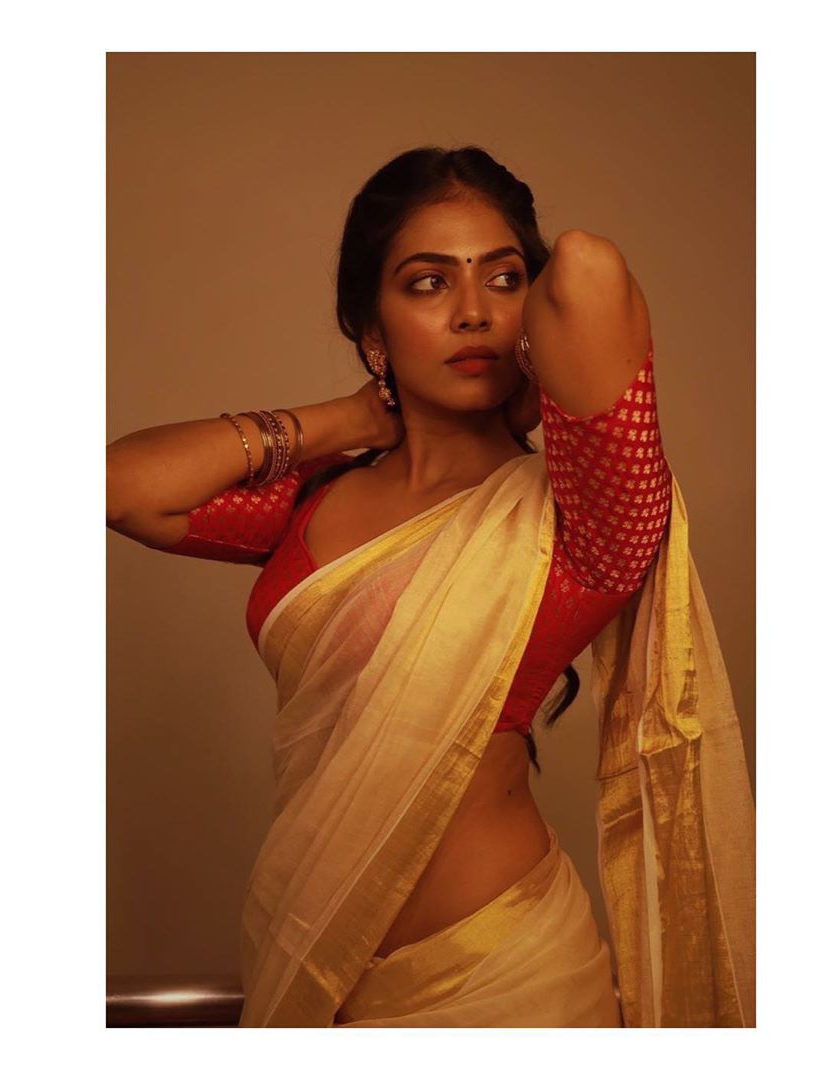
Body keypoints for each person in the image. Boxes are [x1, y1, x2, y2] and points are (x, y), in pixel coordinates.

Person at [106, 146, 755, 1027]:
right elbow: (122, 489)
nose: (473, 312)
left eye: (503, 278)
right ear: (372, 331)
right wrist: (346, 418)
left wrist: (537, 364)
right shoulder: (313, 502)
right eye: (428, 283)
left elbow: (589, 272)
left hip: (507, 982)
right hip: (307, 962)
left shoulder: (584, 523)